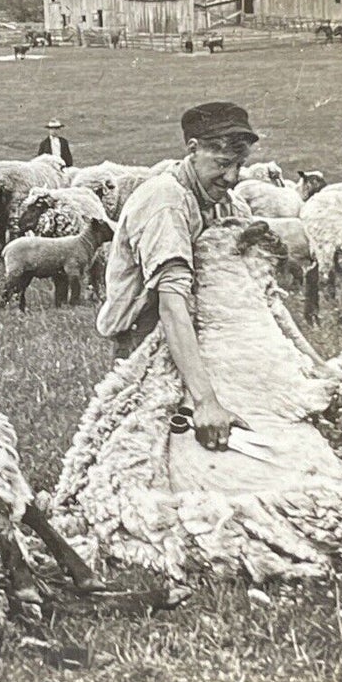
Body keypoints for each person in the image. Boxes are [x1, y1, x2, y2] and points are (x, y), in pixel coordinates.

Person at [95, 101, 259, 452]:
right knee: (143, 452)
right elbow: (171, 305)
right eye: (222, 163)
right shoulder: (165, 202)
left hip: (207, 334)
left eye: (239, 166)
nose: (231, 178)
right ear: (193, 150)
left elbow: (256, 288)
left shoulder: (225, 202)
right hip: (147, 339)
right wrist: (205, 401)